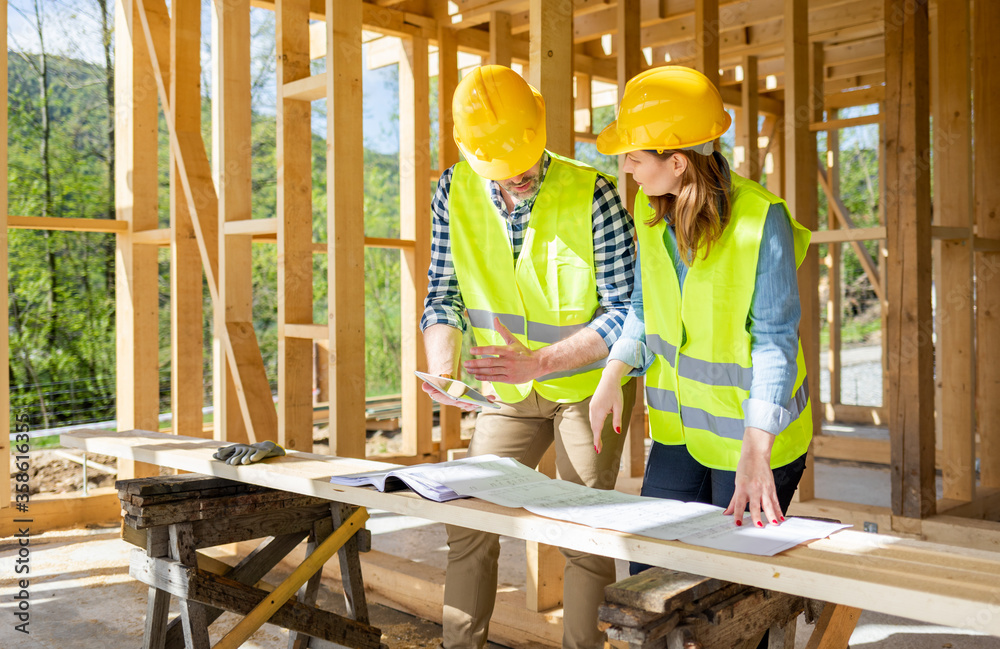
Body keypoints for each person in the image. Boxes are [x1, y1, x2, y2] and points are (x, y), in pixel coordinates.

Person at [420, 65, 637, 649]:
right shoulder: (453, 189)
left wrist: (539, 362)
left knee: (583, 531)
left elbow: (627, 313)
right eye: (500, 169)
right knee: (467, 518)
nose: (514, 178)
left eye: (520, 164)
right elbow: (443, 293)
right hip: (506, 392)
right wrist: (442, 365)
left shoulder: (593, 193)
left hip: (590, 387)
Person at [589, 66, 812, 564]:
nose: (626, 167)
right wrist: (613, 372)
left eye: (635, 156)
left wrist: (756, 450)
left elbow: (775, 339)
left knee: (728, 584)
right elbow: (646, 312)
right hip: (681, 432)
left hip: (756, 436)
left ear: (677, 163)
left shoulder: (761, 219)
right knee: (650, 563)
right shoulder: (652, 219)